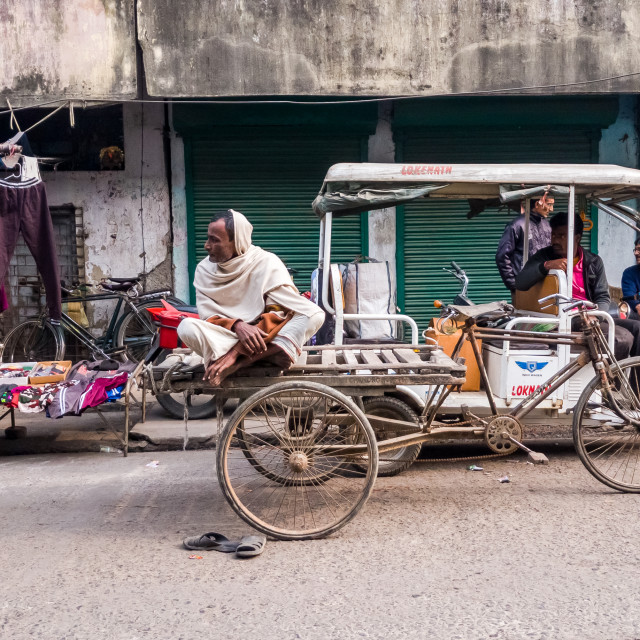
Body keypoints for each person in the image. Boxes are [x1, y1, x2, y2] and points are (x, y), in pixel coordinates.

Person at [177, 209, 325, 386]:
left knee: (314, 315)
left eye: (215, 240)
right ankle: (270, 355)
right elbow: (208, 317)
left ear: (236, 242)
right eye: (208, 238)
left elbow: (279, 313)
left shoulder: (266, 262)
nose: (206, 245)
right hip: (227, 336)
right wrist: (238, 325)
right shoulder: (204, 270)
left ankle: (238, 362)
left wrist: (237, 351)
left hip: (263, 335)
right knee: (186, 326)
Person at [515, 211, 640, 361]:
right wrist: (546, 266)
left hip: (591, 315)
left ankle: (634, 382)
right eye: (553, 235)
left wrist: (596, 314)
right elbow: (520, 282)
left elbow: (602, 296)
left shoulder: (594, 262)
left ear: (577, 238)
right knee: (622, 338)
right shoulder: (544, 256)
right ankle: (612, 381)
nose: (554, 240)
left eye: (561, 236)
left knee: (637, 329)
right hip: (566, 317)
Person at [495, 195, 554, 297]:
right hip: (524, 284)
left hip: (545, 284)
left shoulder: (547, 225)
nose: (552, 209)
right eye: (549, 204)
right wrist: (514, 284)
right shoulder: (516, 225)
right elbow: (502, 256)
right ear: (537, 204)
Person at [621, 238, 640, 319]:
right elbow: (630, 297)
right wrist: (637, 306)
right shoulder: (629, 273)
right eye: (635, 250)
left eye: (639, 249)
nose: (636, 253)